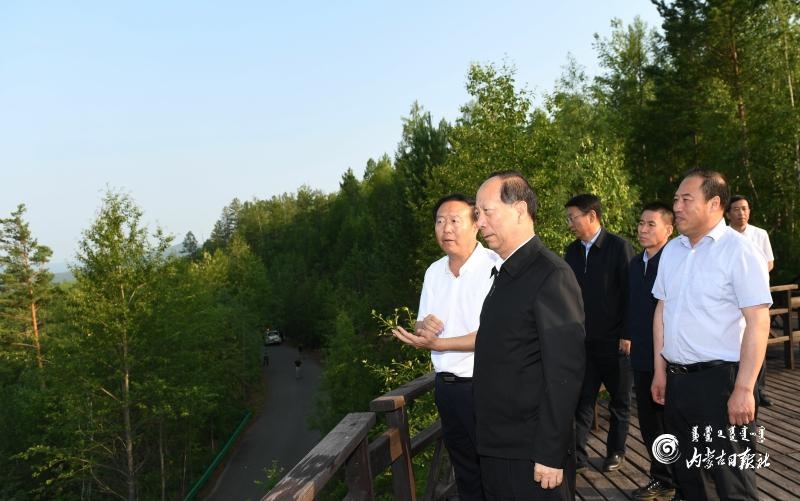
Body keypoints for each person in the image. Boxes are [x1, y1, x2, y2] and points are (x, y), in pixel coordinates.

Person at [651, 169, 771, 500]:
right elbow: (662, 312)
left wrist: (744, 388)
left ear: (714, 203)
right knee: (689, 481)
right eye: (676, 199)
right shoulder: (672, 251)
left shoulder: (740, 251)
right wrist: (660, 371)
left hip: (722, 384)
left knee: (733, 483)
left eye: (686, 199)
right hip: (678, 383)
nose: (677, 206)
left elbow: (758, 321)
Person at [472, 171, 585, 500]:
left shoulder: (551, 275)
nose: (480, 222)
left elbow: (565, 373)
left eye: (487, 211)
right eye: (477, 213)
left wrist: (550, 452)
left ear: (520, 210)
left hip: (531, 452)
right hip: (497, 445)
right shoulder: (506, 272)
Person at [392, 193, 498, 500]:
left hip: (485, 386)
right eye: (440, 221)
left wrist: (437, 342)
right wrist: (423, 328)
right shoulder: (434, 271)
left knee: (494, 467)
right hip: (446, 387)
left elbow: (493, 336)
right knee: (463, 467)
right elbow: (421, 323)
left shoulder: (494, 266)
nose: (446, 228)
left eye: (454, 220)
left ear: (476, 224)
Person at [563, 194, 635, 473]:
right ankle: (578, 456)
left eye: (573, 218)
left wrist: (627, 333)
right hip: (583, 342)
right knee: (583, 400)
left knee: (619, 401)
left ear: (591, 216)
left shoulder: (618, 247)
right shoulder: (572, 251)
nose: (570, 224)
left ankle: (616, 451)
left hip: (615, 341)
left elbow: (630, 294)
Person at [628, 203, 676, 500]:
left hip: (671, 358)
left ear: (669, 230)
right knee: (649, 423)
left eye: (651, 224)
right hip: (642, 355)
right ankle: (663, 478)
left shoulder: (674, 261)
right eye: (641, 223)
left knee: (671, 424)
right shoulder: (635, 263)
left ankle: (678, 479)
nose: (643, 229)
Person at [726, 194, 775, 407]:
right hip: (729, 301)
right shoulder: (722, 236)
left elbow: (770, 262)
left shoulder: (759, 234)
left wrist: (749, 276)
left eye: (744, 208)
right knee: (734, 342)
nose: (741, 213)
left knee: (756, 340)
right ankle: (733, 387)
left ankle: (758, 389)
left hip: (754, 299)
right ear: (728, 213)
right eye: (736, 209)